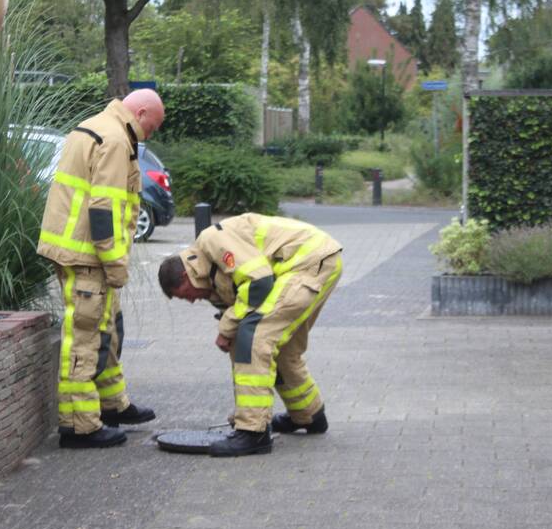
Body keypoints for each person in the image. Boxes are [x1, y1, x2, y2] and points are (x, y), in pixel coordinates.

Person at [37, 89, 165, 449]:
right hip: (88, 257)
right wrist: (115, 264)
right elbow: (103, 210)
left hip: (77, 250)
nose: (150, 135)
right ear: (141, 112)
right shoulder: (114, 140)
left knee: (106, 326)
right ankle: (79, 426)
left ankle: (111, 404)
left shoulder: (94, 126)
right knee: (85, 337)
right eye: (152, 127)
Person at [158, 213, 343, 457]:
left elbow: (259, 283)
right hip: (315, 261)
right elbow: (241, 310)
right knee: (281, 349)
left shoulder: (211, 241)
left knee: (255, 337)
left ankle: (253, 432)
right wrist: (230, 331)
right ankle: (309, 415)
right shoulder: (210, 279)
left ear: (185, 275)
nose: (191, 301)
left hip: (305, 262)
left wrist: (227, 328)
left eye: (185, 294)